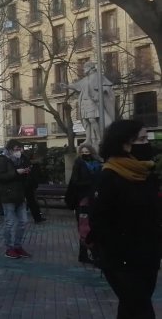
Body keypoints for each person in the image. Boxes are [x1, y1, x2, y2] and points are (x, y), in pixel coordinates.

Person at [87, 120, 160, 319]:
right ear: (124, 144)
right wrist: (118, 251)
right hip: (122, 261)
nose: (147, 144)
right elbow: (99, 220)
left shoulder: (146, 174)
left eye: (148, 138)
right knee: (142, 311)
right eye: (141, 139)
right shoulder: (108, 177)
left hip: (148, 257)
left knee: (130, 310)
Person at [0, 139, 32, 259]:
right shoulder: (2, 159)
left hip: (20, 194)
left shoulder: (22, 159)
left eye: (20, 149)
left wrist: (26, 171)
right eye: (16, 149)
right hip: (8, 195)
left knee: (23, 222)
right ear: (10, 150)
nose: (18, 152)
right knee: (9, 223)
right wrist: (16, 172)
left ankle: (18, 246)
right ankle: (9, 248)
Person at [66, 143, 102, 264]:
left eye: (87, 152)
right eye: (83, 152)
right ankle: (92, 254)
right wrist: (90, 183)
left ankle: (84, 254)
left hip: (95, 199)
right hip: (83, 200)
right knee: (85, 228)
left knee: (94, 226)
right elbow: (75, 182)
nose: (85, 154)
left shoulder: (98, 164)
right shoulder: (79, 164)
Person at [22, 152, 46, 223]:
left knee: (31, 202)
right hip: (29, 185)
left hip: (27, 185)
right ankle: (37, 218)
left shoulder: (26, 163)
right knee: (32, 202)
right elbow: (38, 176)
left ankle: (37, 217)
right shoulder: (34, 165)